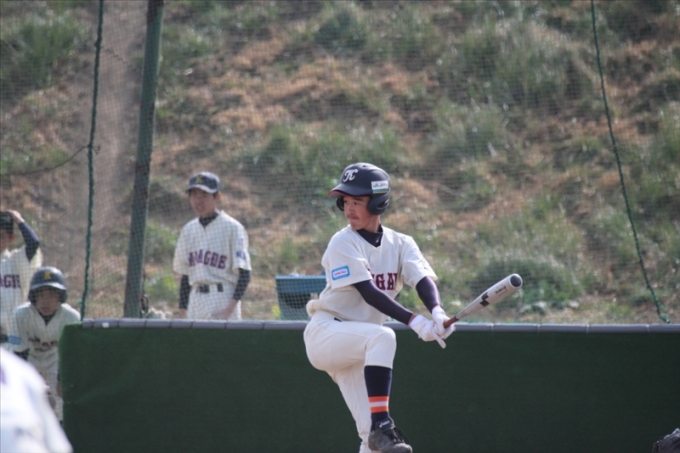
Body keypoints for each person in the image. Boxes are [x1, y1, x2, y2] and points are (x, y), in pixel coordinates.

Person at [303, 162, 454, 453]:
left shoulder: (401, 243)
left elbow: (421, 279)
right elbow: (369, 292)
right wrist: (415, 321)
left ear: (378, 202)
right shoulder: (342, 242)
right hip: (327, 332)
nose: (349, 208)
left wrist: (436, 311)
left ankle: (377, 429)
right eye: (346, 201)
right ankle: (384, 423)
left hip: (360, 347)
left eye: (357, 201)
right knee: (384, 337)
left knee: (372, 441)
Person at [173, 171, 252, 320]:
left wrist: (229, 309)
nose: (198, 201)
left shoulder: (232, 227)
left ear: (217, 196)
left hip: (222, 296)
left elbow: (245, 273)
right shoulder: (188, 230)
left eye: (204, 195)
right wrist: (182, 311)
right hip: (195, 299)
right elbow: (185, 276)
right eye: (194, 195)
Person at [8, 266, 81, 422]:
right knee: (19, 396)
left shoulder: (71, 317)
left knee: (62, 400)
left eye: (52, 294)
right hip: (30, 356)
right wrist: (22, 379)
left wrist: (61, 380)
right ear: (33, 296)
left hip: (56, 357)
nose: (45, 301)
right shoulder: (21, 314)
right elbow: (19, 353)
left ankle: (62, 430)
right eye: (40, 294)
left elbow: (70, 354)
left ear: (60, 296)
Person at [0, 345, 73, 453]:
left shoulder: (23, 375)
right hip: (33, 356)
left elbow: (57, 446)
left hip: (26, 442)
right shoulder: (23, 372)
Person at [0, 210, 43, 343]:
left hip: (14, 338)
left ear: (11, 238)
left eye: (1, 236)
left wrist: (19, 220)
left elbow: (33, 242)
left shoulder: (16, 260)